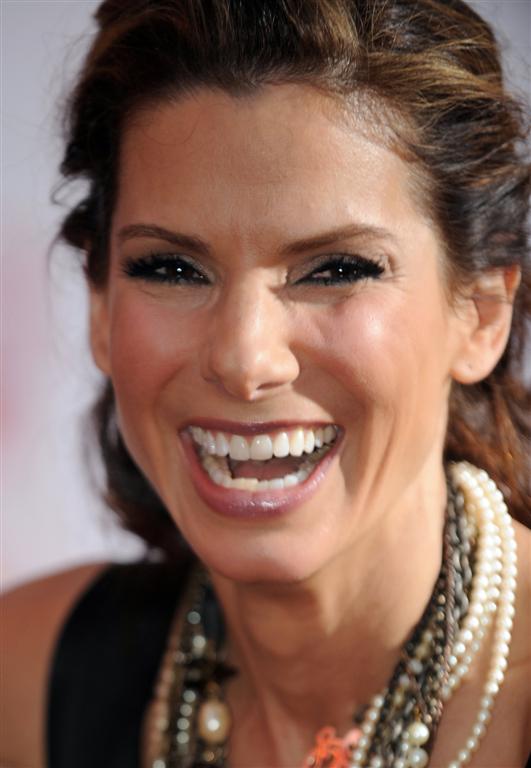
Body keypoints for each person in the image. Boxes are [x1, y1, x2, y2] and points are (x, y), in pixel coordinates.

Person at [2, 0, 530, 766]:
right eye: (172, 268)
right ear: (100, 309)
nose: (245, 360)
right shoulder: (26, 680)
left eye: (335, 269)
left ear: (480, 312)